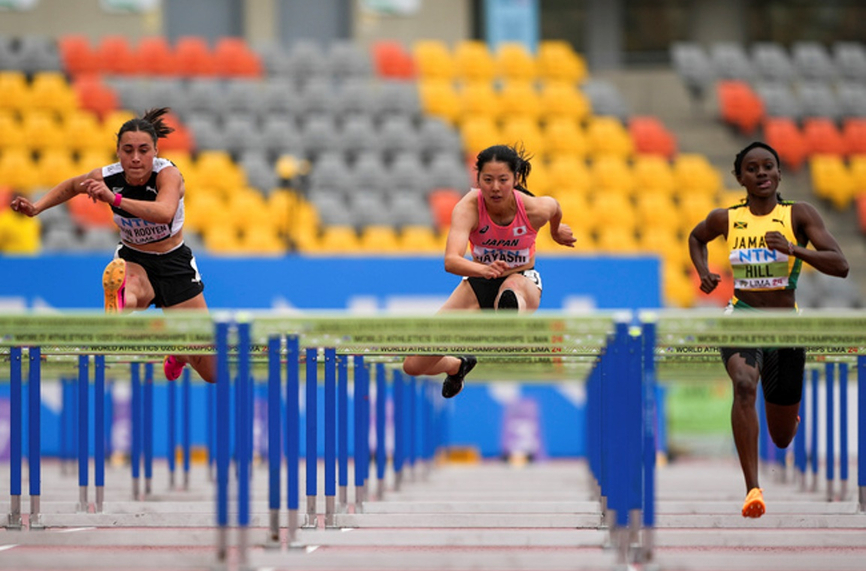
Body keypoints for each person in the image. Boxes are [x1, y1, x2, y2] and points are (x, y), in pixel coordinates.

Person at [688, 141, 849, 518]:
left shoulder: (799, 215)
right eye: (752, 169)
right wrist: (704, 271)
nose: (761, 173)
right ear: (739, 177)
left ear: (779, 173)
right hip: (741, 315)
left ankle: (786, 416)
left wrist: (794, 250)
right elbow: (696, 238)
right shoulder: (725, 219)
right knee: (744, 384)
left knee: (781, 437)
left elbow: (841, 265)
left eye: (768, 167)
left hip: (785, 325)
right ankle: (752, 489)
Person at [11, 107, 216, 383]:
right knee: (129, 292)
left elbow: (165, 212)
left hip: (174, 263)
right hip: (134, 259)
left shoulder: (168, 175)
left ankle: (178, 353)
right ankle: (120, 301)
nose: (135, 158)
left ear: (155, 151)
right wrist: (36, 207)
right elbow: (72, 186)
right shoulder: (108, 176)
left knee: (212, 373)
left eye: (143, 150)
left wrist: (114, 200)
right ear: (118, 152)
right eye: (127, 150)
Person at [402, 144, 576, 398]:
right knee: (413, 366)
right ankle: (458, 364)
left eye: (503, 180)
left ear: (515, 179)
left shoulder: (534, 208)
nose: (495, 187)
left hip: (521, 281)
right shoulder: (468, 207)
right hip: (478, 282)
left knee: (510, 291)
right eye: (488, 180)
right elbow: (451, 260)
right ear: (478, 179)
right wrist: (483, 270)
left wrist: (556, 231)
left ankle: (507, 323)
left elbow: (555, 208)